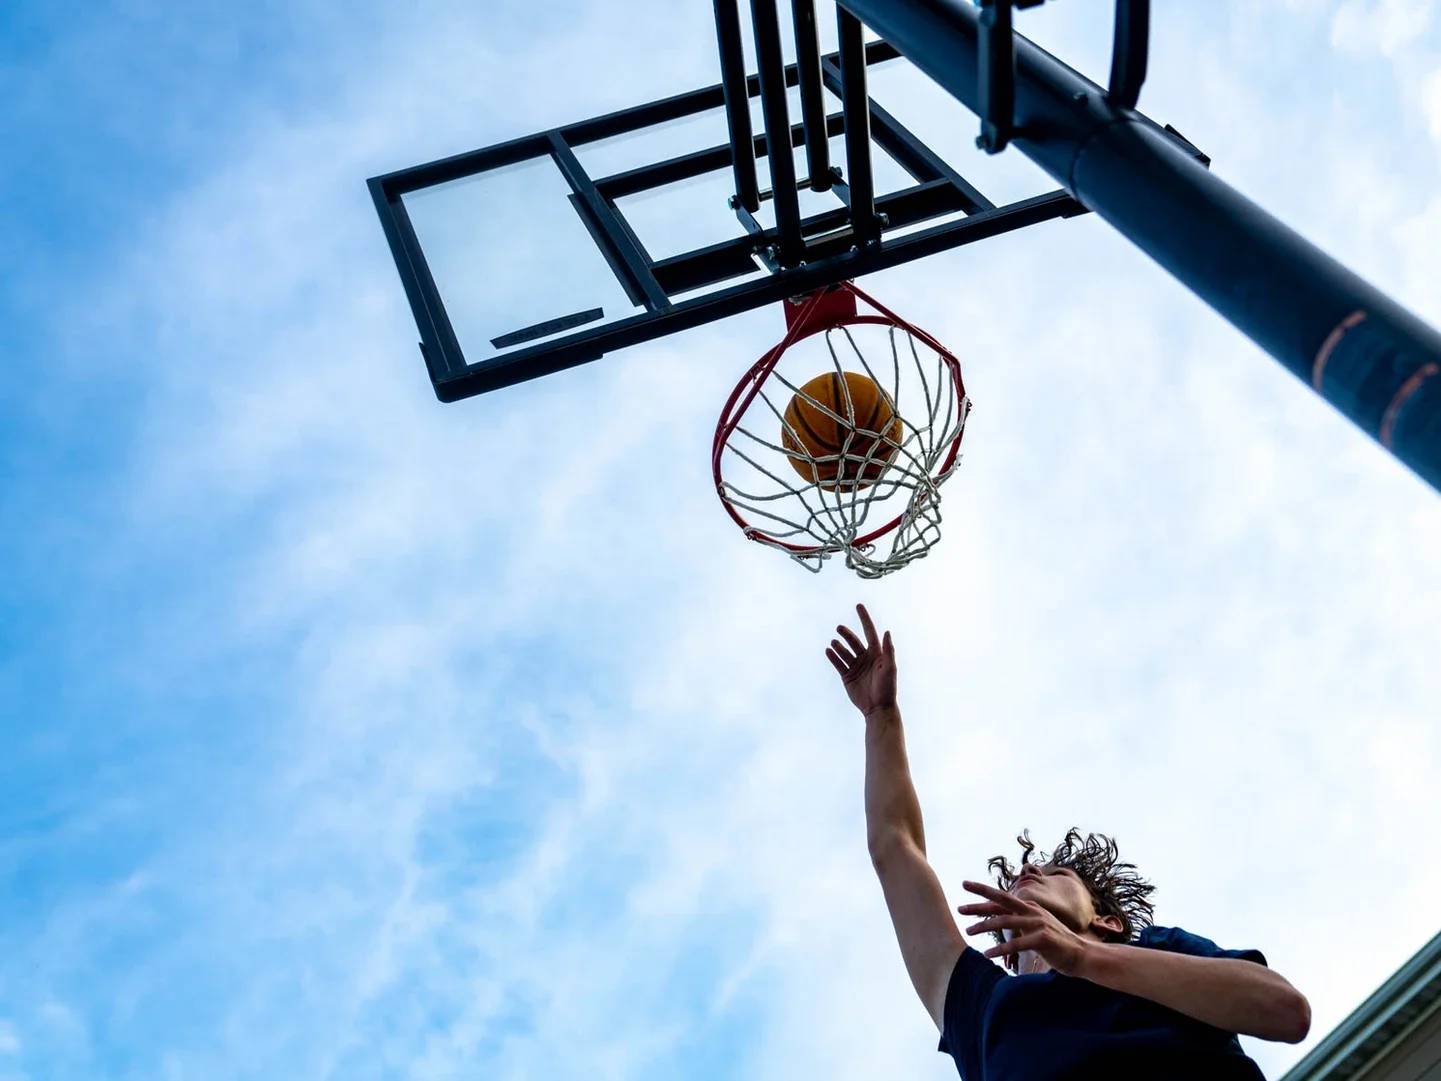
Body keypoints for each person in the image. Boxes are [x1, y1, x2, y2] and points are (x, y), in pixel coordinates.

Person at [825, 604, 1312, 1080]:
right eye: (1020, 882)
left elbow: (1285, 1012)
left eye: (1056, 874)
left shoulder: (1161, 949)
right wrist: (881, 718)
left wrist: (1084, 959)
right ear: (1010, 955)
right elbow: (895, 847)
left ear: (1108, 920)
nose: (1028, 873)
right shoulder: (978, 1007)